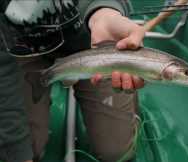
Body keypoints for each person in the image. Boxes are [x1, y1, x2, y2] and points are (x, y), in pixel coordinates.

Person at [0, 0, 145, 162]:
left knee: (116, 153)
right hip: (22, 49)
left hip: (94, 44)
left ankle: (129, 111)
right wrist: (17, 150)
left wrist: (104, 12)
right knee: (25, 151)